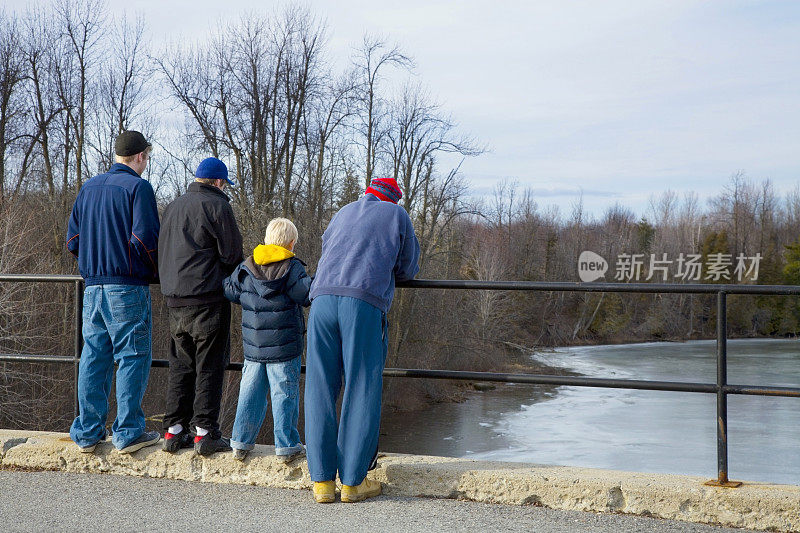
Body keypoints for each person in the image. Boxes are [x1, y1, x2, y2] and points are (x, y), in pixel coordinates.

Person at [304, 177, 420, 503]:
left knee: (319, 387)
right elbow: (409, 268)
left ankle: (322, 483)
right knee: (361, 386)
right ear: (393, 199)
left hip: (322, 300)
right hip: (362, 303)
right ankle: (353, 483)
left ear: (367, 193)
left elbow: (329, 249)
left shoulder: (342, 211)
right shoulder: (398, 216)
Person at [67, 130, 161, 454]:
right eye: (146, 157)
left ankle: (88, 432)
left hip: (92, 287)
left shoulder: (88, 188)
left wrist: (94, 262)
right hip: (126, 285)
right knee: (132, 355)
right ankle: (128, 432)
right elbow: (144, 241)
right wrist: (152, 271)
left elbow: (73, 241)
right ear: (140, 157)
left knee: (93, 357)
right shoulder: (139, 188)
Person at [158, 157, 243, 456]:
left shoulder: (173, 205)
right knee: (209, 366)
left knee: (180, 366)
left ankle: (174, 431)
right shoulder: (218, 206)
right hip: (207, 299)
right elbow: (233, 256)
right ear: (219, 182)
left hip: (174, 299)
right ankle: (204, 434)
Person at [223, 218, 311, 463]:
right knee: (284, 395)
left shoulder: (247, 265)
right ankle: (286, 446)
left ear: (267, 239)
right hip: (284, 346)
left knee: (250, 393)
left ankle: (241, 442)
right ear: (291, 243)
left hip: (253, 346)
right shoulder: (292, 268)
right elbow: (305, 294)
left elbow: (230, 290)